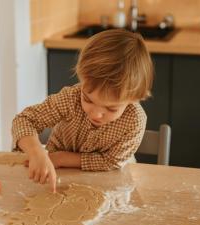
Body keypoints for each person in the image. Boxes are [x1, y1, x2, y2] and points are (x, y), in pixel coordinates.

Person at [12, 29, 153, 192]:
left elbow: (110, 162)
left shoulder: (134, 120)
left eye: (111, 108)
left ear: (133, 99)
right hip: (57, 173)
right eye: (87, 99)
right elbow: (24, 120)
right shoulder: (71, 97)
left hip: (109, 179)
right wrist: (36, 152)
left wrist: (61, 158)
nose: (95, 114)